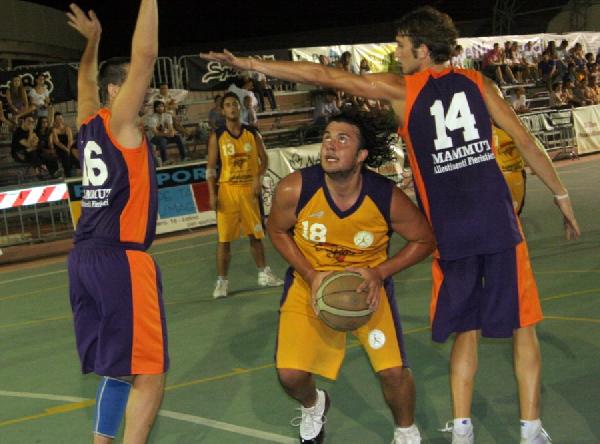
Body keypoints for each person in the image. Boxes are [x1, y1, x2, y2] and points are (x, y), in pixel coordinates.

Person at [201, 6, 580, 444]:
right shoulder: (479, 83)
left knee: (466, 330)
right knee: (523, 329)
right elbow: (525, 140)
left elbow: (324, 76)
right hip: (498, 222)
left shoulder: (403, 90)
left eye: (401, 47)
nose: (396, 55)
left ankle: (462, 430)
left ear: (422, 49)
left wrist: (250, 63)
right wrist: (561, 194)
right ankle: (531, 430)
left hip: (451, 232)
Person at [266, 110, 436, 444]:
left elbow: (425, 239)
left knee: (393, 372)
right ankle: (314, 404)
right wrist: (311, 273)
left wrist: (380, 273)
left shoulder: (385, 197)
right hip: (309, 285)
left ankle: (405, 431)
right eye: (327, 137)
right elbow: (277, 230)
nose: (330, 144)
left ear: (361, 156)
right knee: (290, 375)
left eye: (342, 139)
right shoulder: (295, 188)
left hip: (366, 289)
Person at [66, 2, 168, 443]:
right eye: (132, 83)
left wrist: (92, 42)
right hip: (120, 260)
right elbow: (145, 55)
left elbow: (83, 81)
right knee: (151, 368)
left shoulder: (89, 122)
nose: (143, 88)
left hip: (84, 260)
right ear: (115, 90)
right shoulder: (120, 123)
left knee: (118, 367)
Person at [206, 91, 284, 299]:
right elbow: (211, 169)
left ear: (240, 108)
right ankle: (222, 282)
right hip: (227, 192)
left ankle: (264, 274)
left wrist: (258, 177)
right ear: (222, 111)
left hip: (249, 191)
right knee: (224, 240)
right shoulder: (217, 136)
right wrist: (212, 194)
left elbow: (264, 159)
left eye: (235, 104)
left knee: (255, 236)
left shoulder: (252, 132)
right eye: (228, 105)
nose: (232, 108)